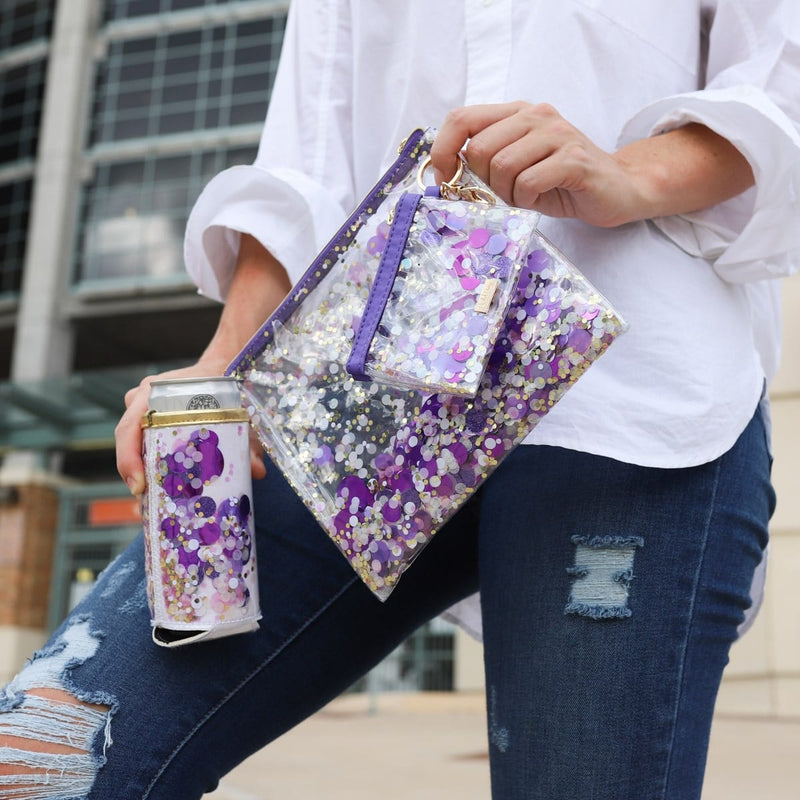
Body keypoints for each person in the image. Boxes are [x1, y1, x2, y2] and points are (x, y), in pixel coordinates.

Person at [2, 1, 799, 798]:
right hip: (355, 400)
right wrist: (222, 362)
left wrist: (633, 170)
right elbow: (307, 161)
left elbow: (777, 70)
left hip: (626, 405)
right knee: (38, 765)